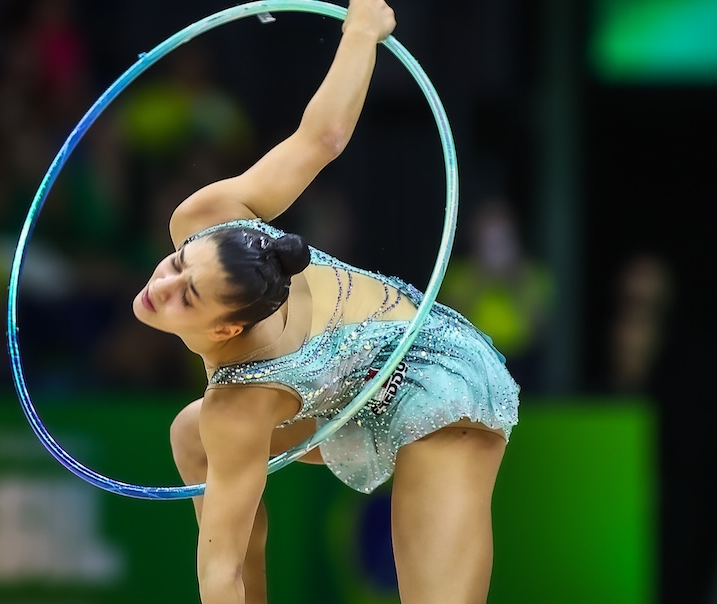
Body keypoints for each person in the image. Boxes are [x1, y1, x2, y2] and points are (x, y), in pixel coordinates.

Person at [137, 2, 521, 602]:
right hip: (346, 391)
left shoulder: (241, 400)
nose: (159, 286)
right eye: (177, 266)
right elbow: (323, 138)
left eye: (185, 294)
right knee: (192, 434)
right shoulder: (204, 220)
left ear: (227, 330)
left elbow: (218, 576)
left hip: (439, 383)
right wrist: (362, 31)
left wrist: (362, 29)